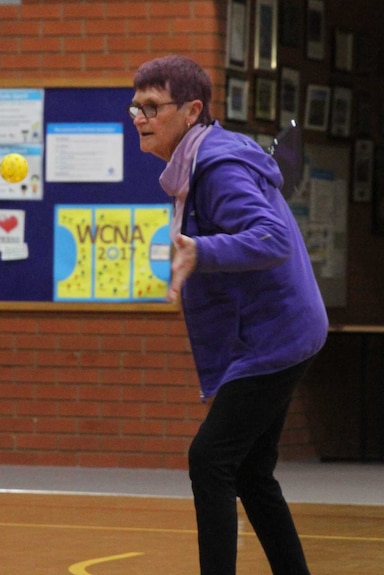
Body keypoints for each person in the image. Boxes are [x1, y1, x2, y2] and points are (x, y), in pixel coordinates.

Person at [129, 55, 328, 575]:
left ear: (192, 110)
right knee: (251, 471)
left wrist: (202, 252)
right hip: (282, 329)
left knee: (210, 458)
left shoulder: (216, 167)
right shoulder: (203, 160)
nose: (140, 116)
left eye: (153, 106)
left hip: (276, 335)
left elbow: (272, 237)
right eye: (136, 106)